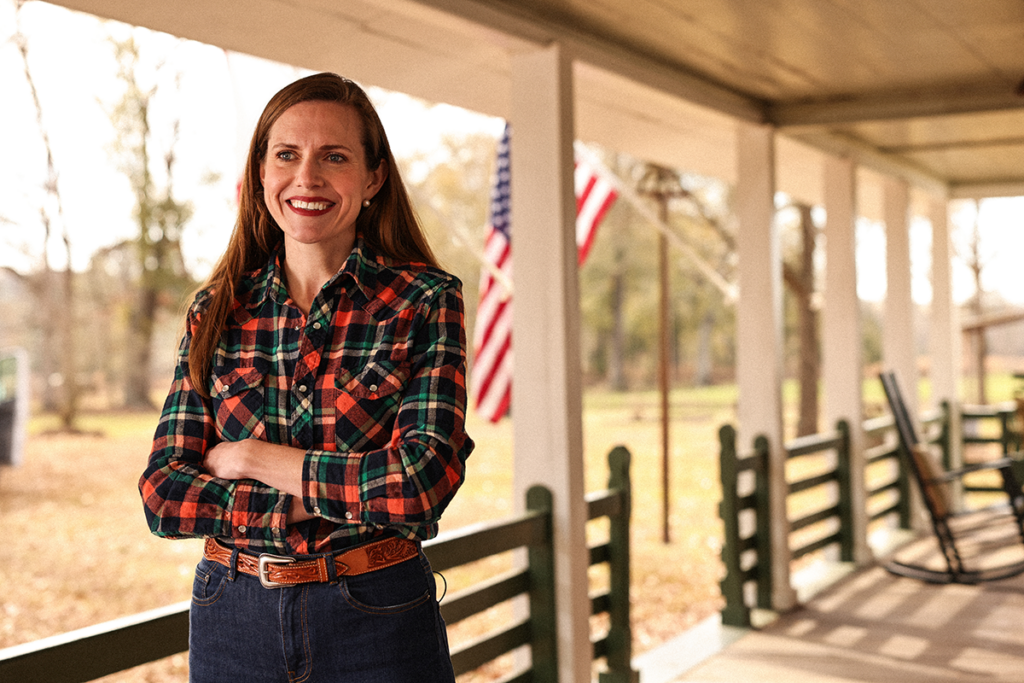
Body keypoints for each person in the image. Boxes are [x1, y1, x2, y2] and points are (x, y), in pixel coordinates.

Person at [139, 72, 474, 683]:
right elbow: (164, 494)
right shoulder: (215, 310)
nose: (307, 178)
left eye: (335, 157)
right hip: (231, 613)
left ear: (373, 177)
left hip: (378, 610)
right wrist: (323, 498)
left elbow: (420, 483)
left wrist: (252, 457)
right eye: (287, 155)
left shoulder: (424, 301)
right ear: (262, 174)